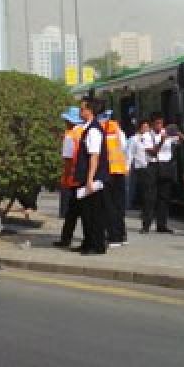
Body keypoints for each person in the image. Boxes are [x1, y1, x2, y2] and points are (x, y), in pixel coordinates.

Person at [74, 99, 110, 255]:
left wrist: (90, 179)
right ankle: (87, 242)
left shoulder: (94, 130)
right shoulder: (87, 129)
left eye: (82, 109)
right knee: (86, 213)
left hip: (93, 179)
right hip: (87, 177)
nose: (80, 112)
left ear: (90, 111)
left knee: (94, 213)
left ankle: (97, 245)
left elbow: (94, 156)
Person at [53, 107, 85, 249]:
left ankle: (66, 239)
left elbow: (67, 159)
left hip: (73, 179)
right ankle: (73, 238)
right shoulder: (84, 131)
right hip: (84, 178)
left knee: (72, 212)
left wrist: (64, 180)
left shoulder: (70, 135)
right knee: (84, 211)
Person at [144, 112, 181, 233]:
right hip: (153, 166)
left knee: (164, 197)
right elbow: (152, 152)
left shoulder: (167, 132)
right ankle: (146, 225)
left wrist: (179, 136)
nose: (159, 126)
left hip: (166, 166)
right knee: (150, 196)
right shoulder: (147, 136)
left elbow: (180, 141)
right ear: (152, 124)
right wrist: (161, 141)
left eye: (161, 123)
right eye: (157, 123)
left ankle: (162, 225)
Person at [101, 109, 129, 246]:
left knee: (109, 206)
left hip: (107, 172)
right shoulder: (118, 130)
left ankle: (113, 236)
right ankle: (121, 234)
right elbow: (124, 148)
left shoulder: (99, 130)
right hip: (119, 171)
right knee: (119, 205)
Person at [127, 118, 152, 225]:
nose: (145, 129)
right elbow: (130, 154)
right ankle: (144, 213)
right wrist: (127, 168)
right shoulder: (134, 139)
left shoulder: (152, 138)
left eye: (147, 127)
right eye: (144, 127)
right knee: (144, 193)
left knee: (150, 192)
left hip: (151, 167)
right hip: (140, 168)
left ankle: (148, 213)